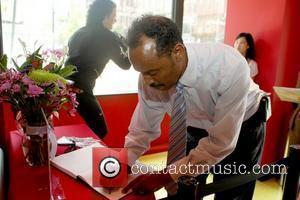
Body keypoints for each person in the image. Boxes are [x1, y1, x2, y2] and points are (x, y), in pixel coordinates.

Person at [121, 15, 270, 200]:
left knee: (230, 191)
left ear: (177, 52)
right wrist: (124, 163)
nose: (147, 81)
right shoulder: (149, 78)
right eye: (142, 73)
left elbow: (221, 143)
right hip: (194, 125)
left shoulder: (229, 66)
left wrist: (165, 175)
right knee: (182, 189)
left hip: (244, 125)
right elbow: (143, 128)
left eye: (152, 72)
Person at [65, 0, 131, 139]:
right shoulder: (107, 36)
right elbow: (126, 64)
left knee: (92, 128)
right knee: (100, 129)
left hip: (67, 86)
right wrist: (127, 45)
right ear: (105, 15)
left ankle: (83, 156)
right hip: (82, 88)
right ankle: (87, 158)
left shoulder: (79, 33)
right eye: (114, 14)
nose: (115, 19)